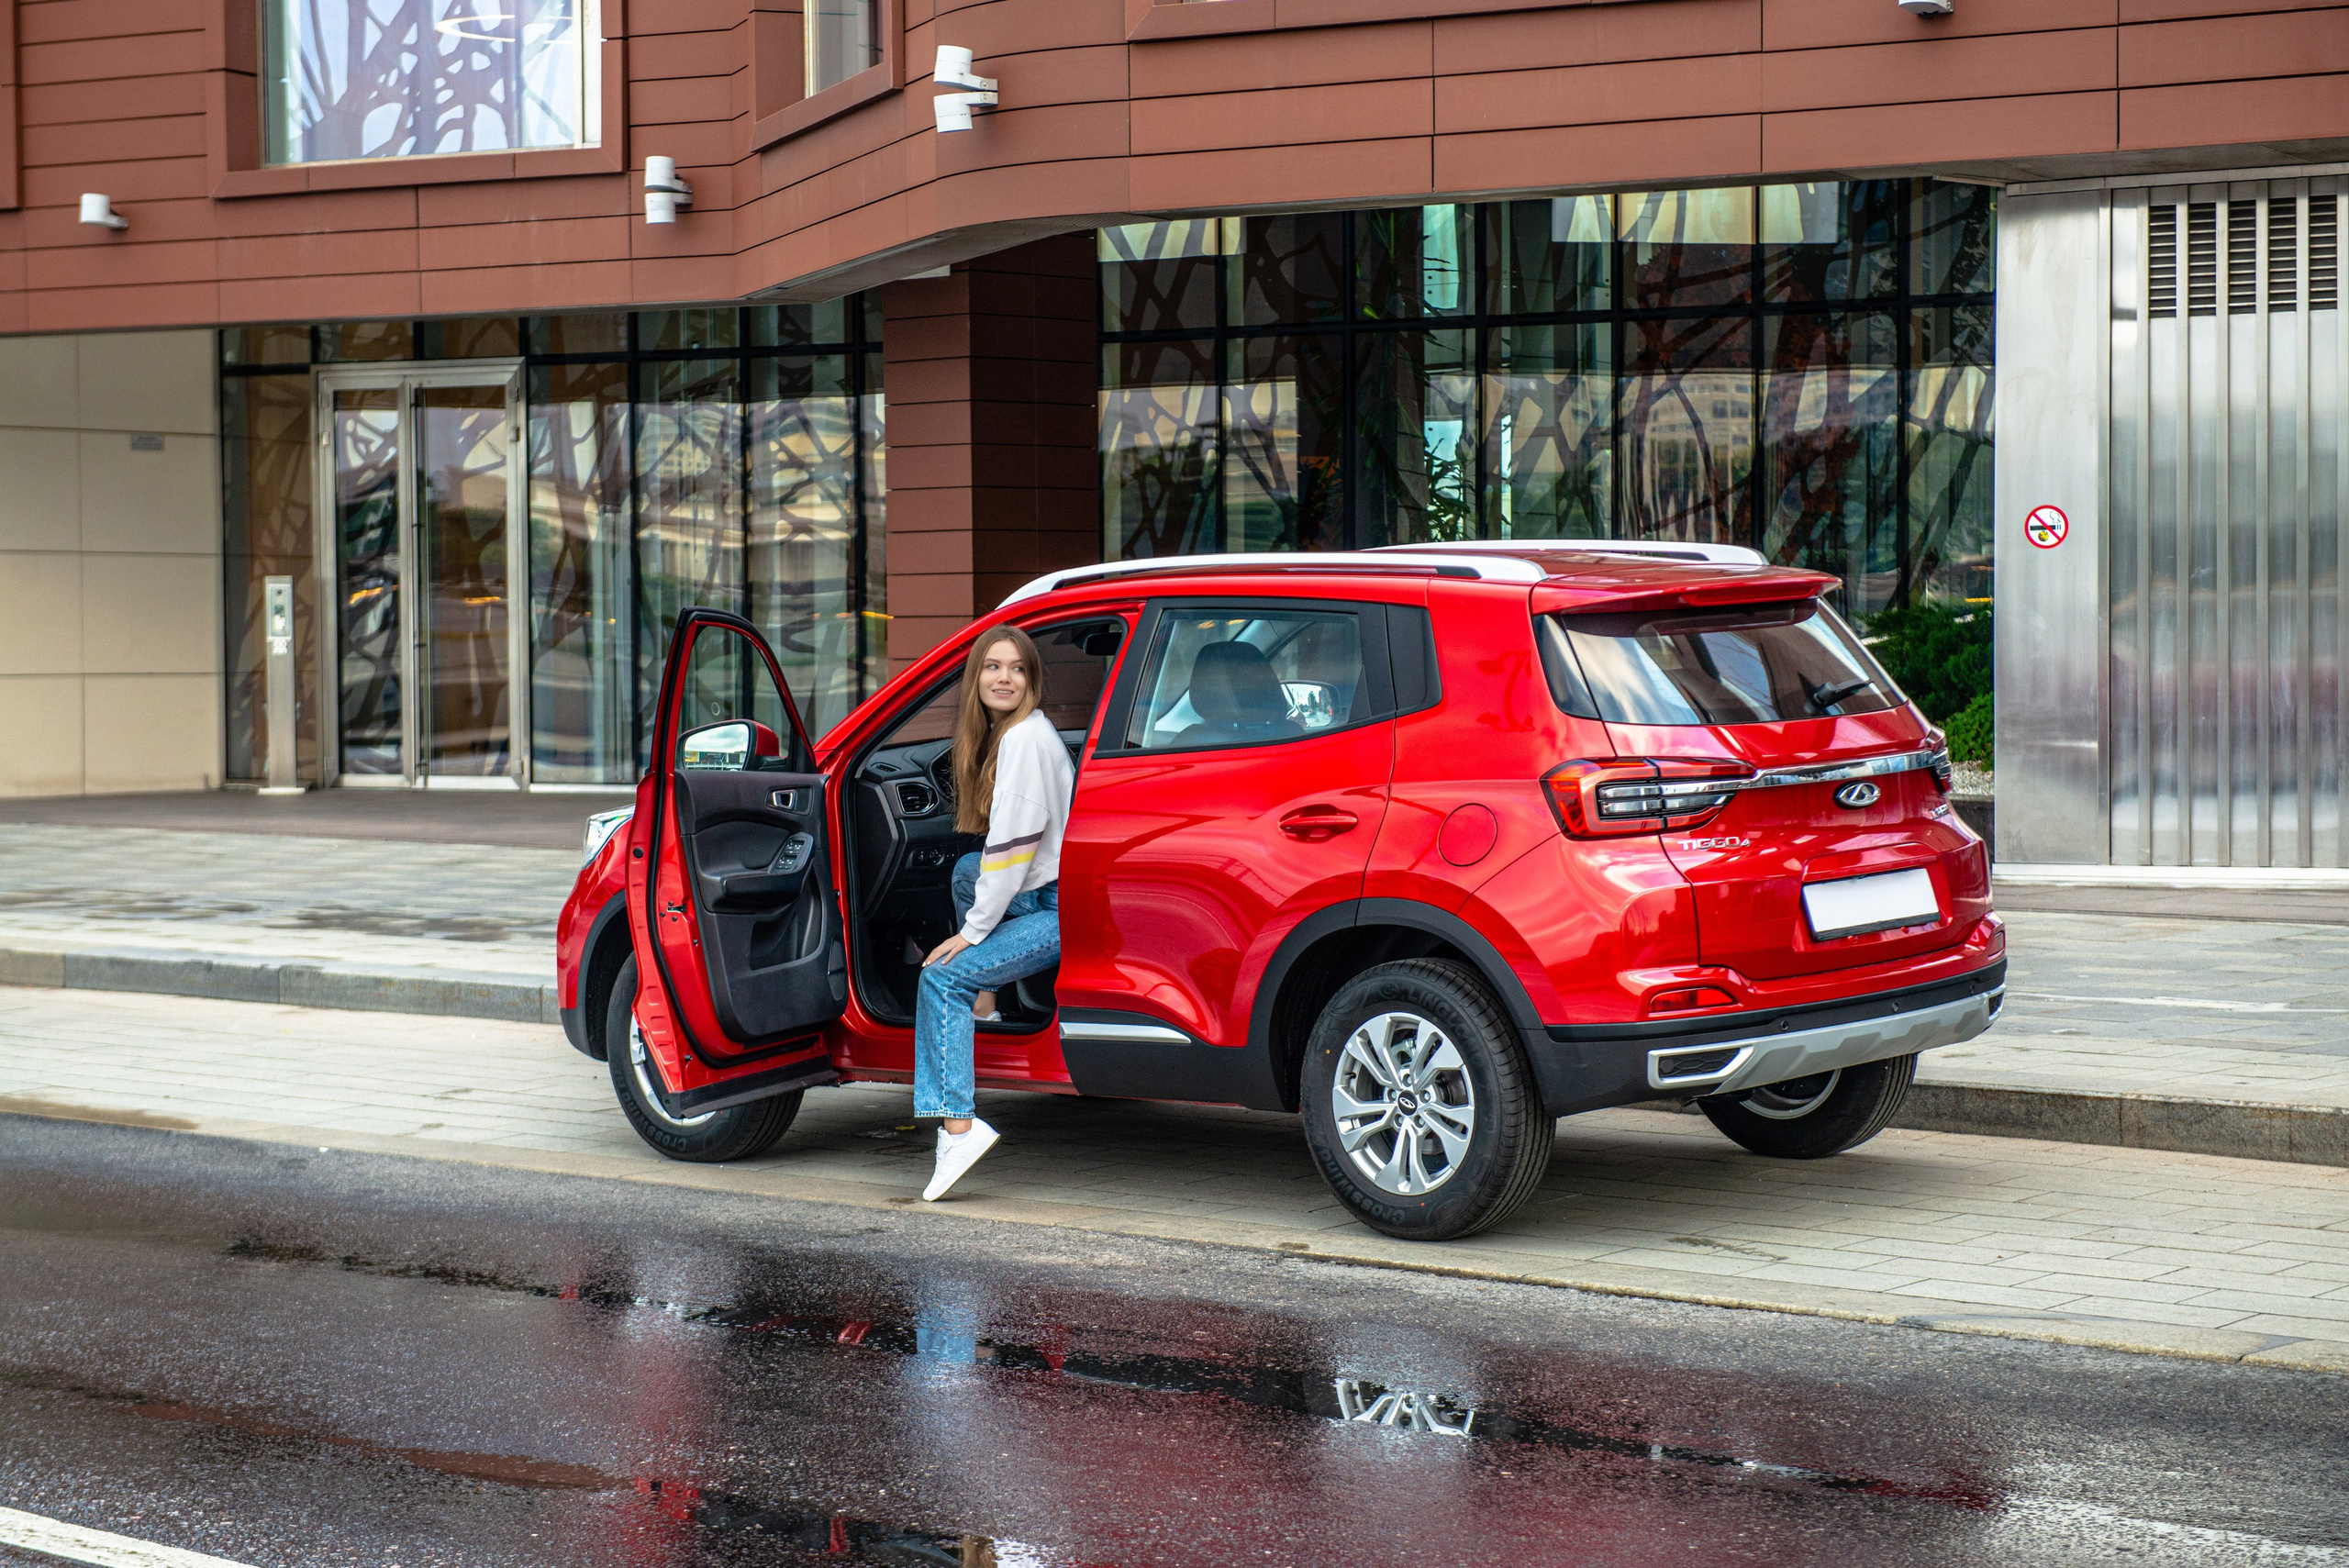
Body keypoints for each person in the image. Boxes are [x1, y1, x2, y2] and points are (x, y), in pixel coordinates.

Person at [916, 625, 1074, 1202]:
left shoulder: (1024, 741)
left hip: (1061, 909)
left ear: (1031, 681)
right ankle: (987, 1002)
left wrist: (971, 935)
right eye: (992, 667)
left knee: (940, 977)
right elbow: (996, 861)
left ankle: (958, 1128)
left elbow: (1010, 852)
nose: (1004, 678)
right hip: (1048, 890)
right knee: (964, 869)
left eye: (1017, 669)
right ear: (976, 676)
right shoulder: (1021, 733)